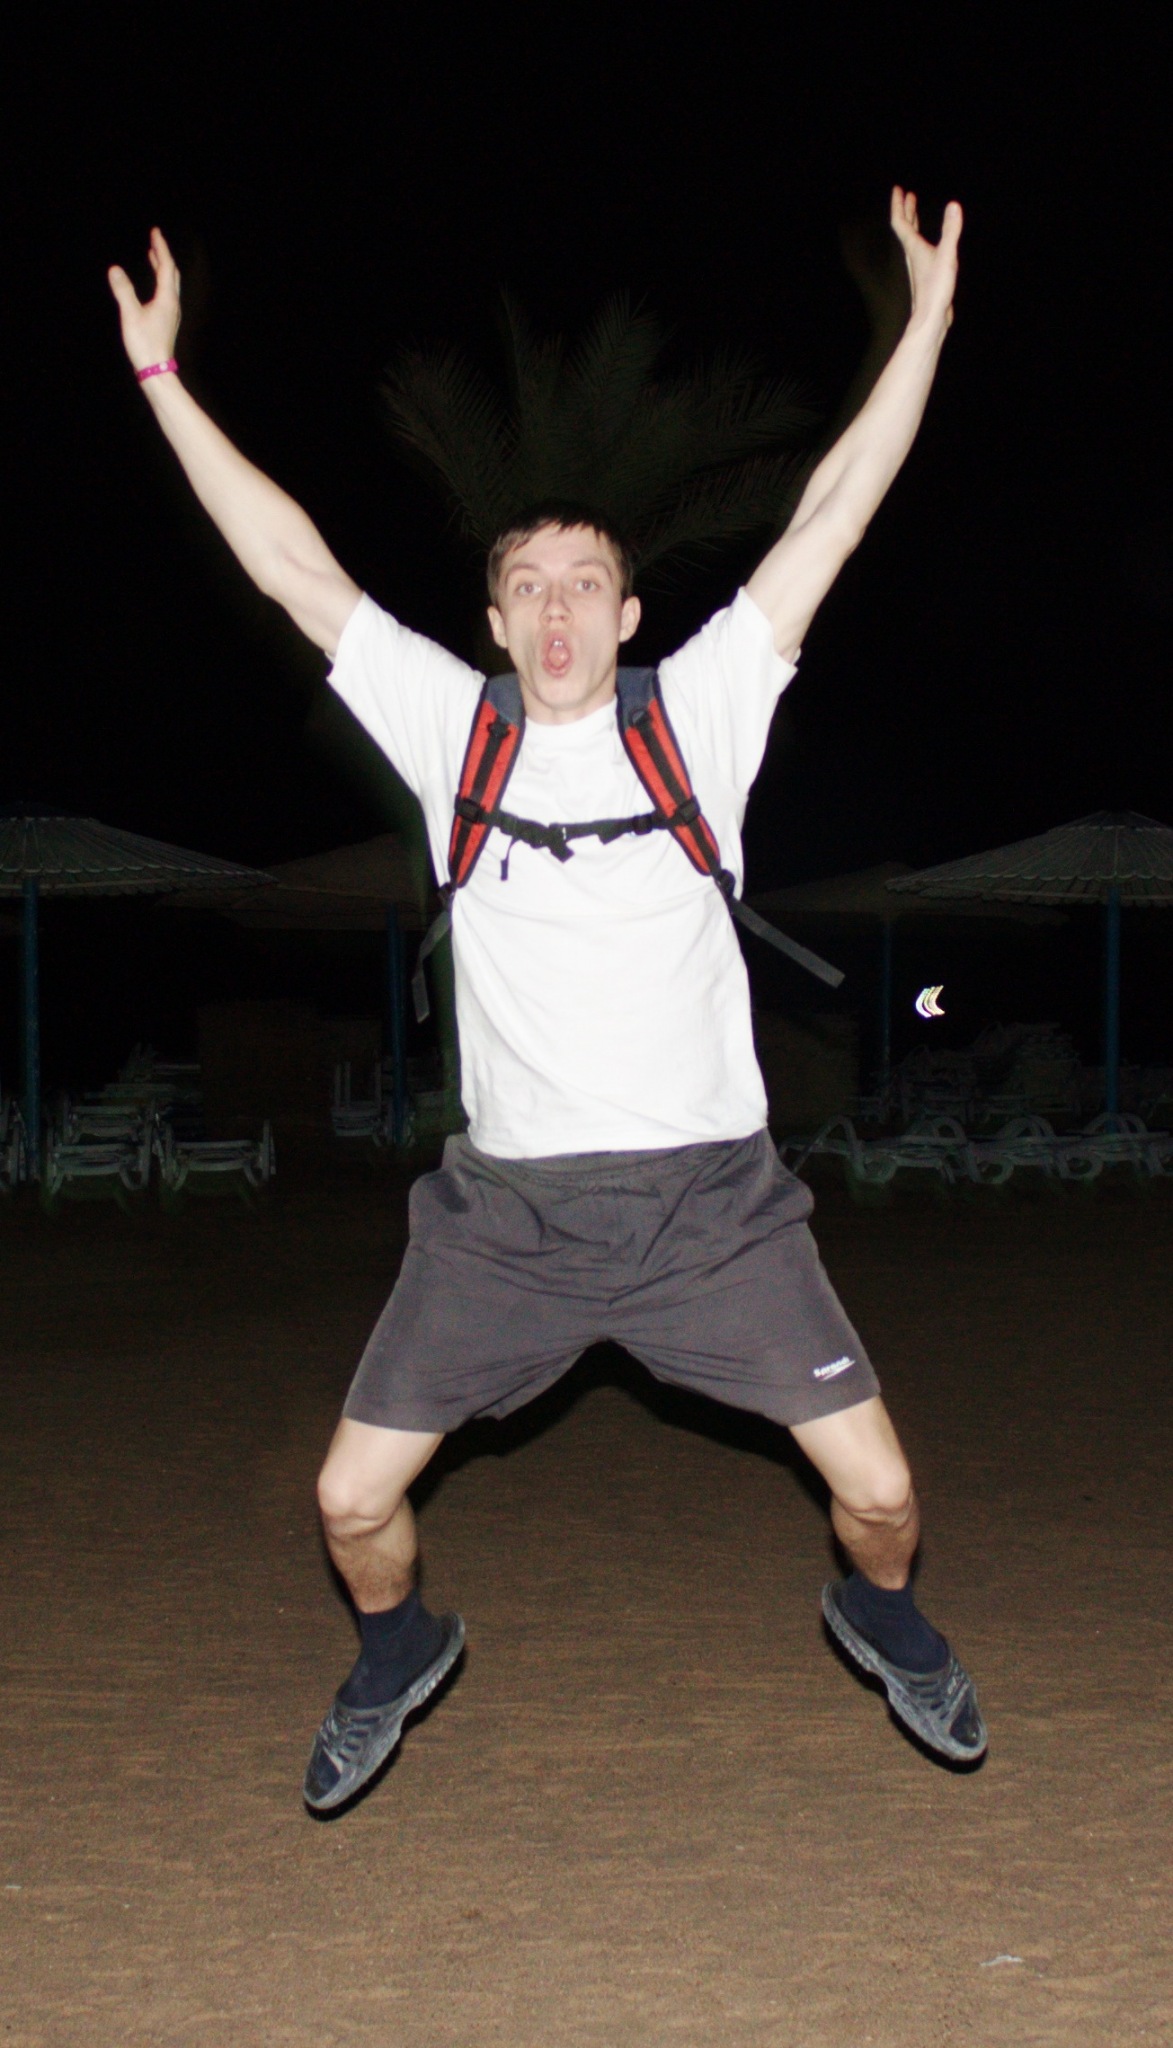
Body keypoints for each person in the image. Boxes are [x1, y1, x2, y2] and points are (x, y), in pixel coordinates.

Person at [109, 189, 986, 1813]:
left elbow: (832, 514)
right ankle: (396, 1651)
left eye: (587, 580)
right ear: (497, 620)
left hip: (713, 1212)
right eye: (530, 582)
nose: (561, 607)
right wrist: (161, 378)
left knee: (881, 1498)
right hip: (503, 1224)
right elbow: (292, 567)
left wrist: (925, 323)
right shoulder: (455, 737)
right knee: (348, 1503)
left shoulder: (698, 717)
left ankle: (876, 1616)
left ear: (627, 613)